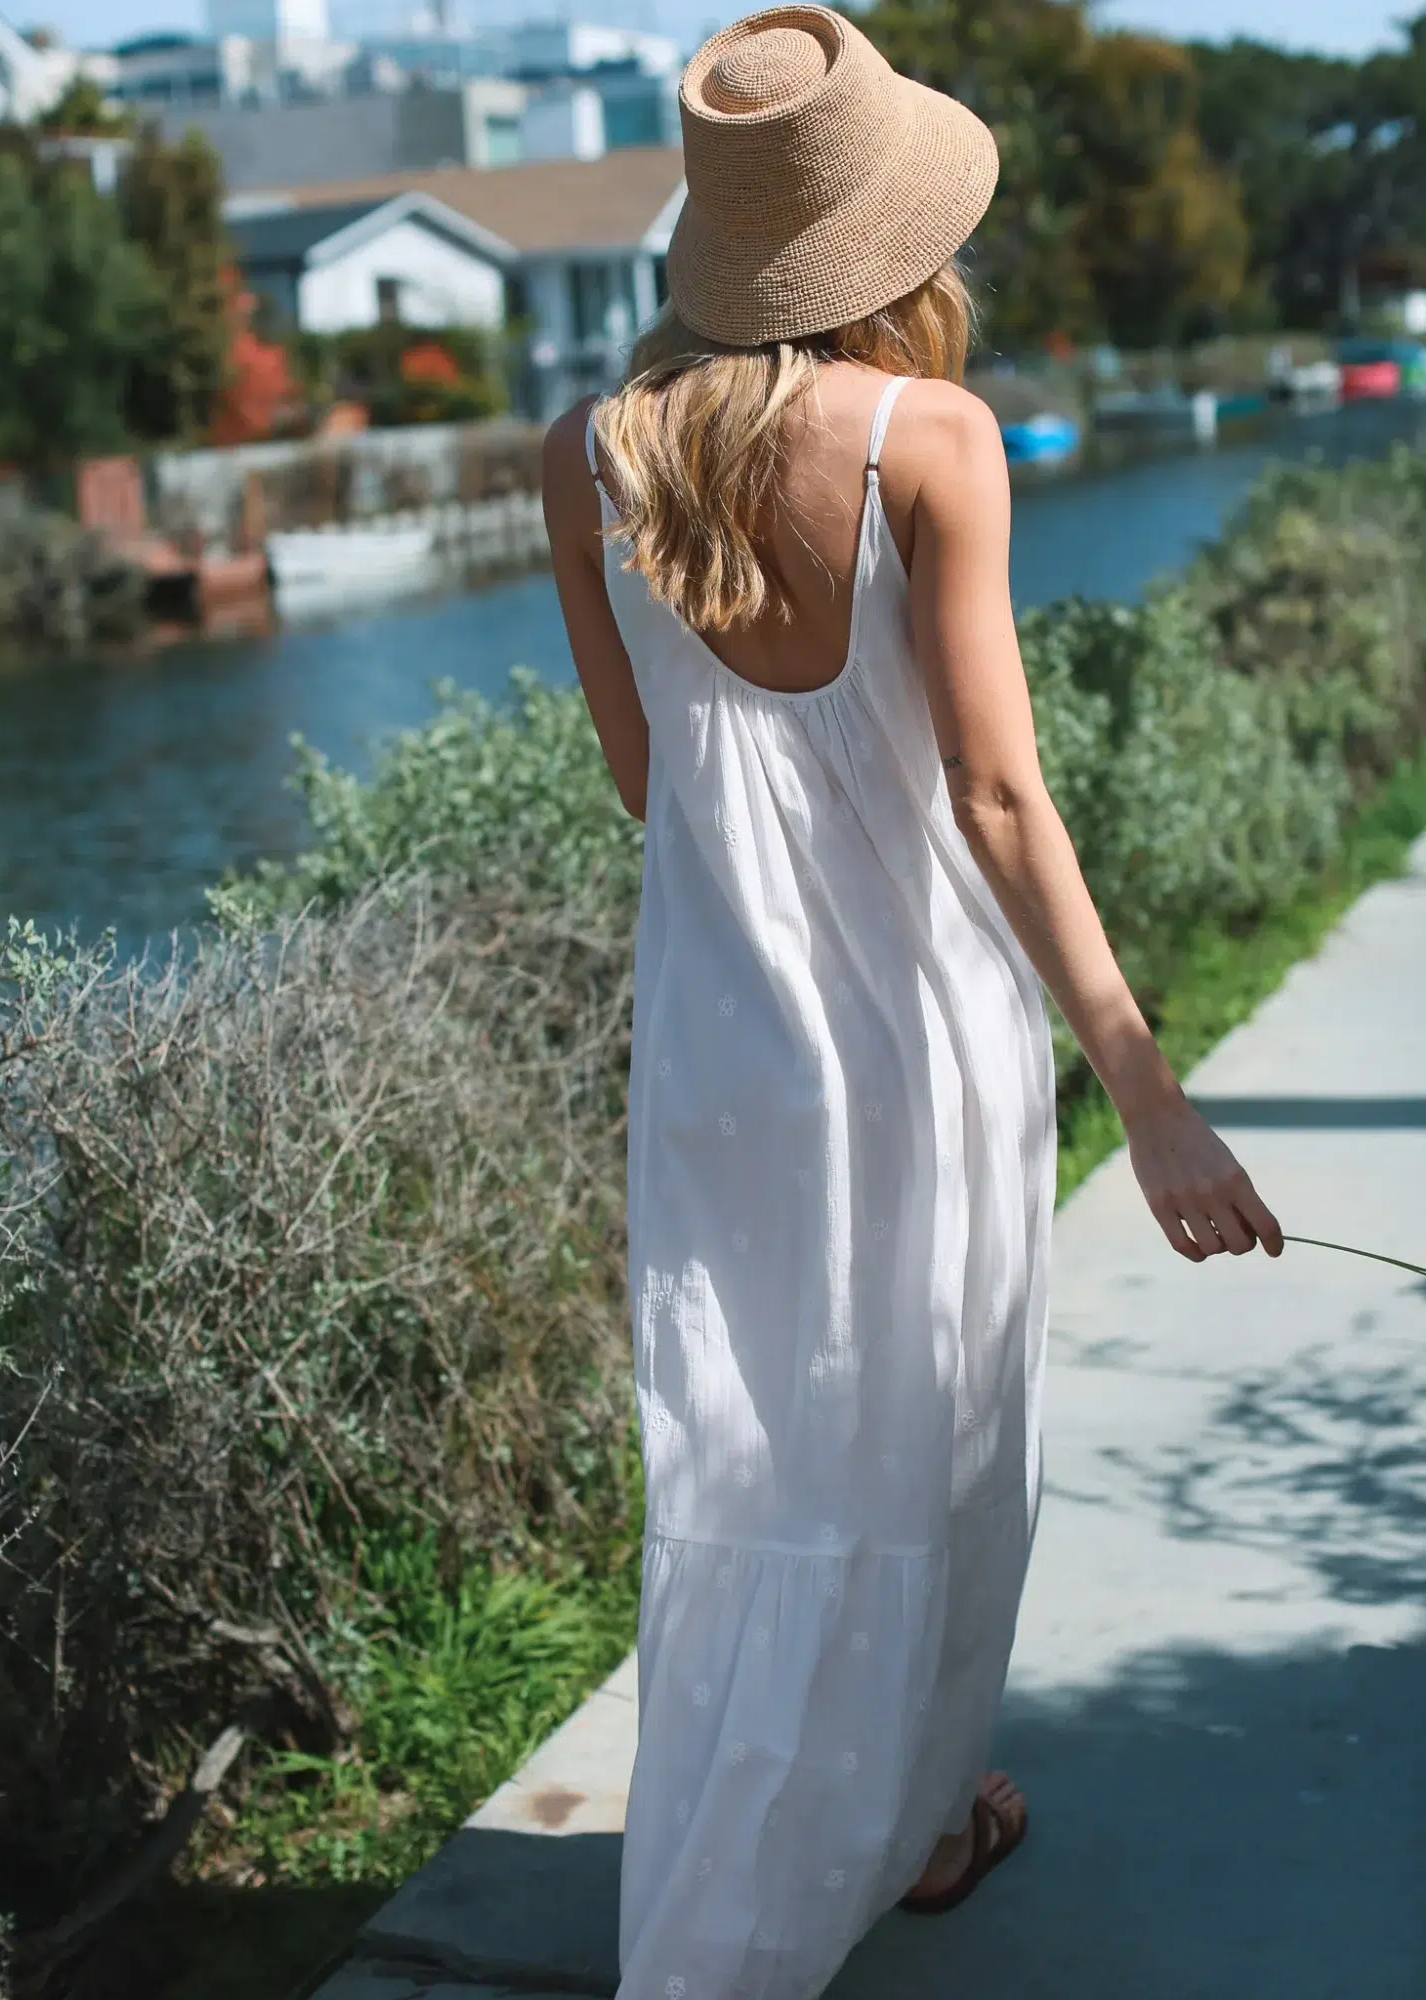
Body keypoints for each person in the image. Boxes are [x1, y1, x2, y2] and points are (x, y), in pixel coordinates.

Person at [542, 8, 1284, 1997]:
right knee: (940, 1440)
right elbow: (992, 788)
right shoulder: (931, 442)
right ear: (894, 247)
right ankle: (917, 1820)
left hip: (720, 1034)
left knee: (745, 1459)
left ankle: (799, 1850)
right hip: (924, 1029)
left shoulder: (581, 461)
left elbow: (653, 783)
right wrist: (1144, 1083)